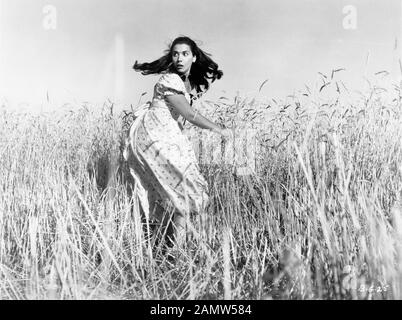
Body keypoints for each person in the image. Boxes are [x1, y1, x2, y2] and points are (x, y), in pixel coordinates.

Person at [124, 36, 232, 250]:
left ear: (193, 56)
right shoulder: (170, 80)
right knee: (186, 189)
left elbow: (181, 117)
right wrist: (220, 130)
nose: (179, 58)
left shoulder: (185, 83)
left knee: (183, 194)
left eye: (184, 54)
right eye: (175, 54)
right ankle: (176, 253)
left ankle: (175, 251)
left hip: (165, 136)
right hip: (154, 137)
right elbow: (189, 115)